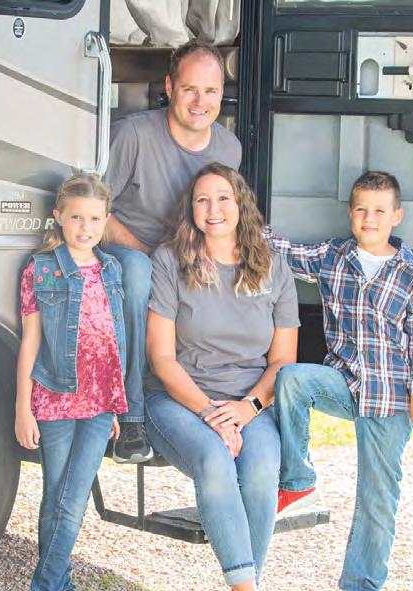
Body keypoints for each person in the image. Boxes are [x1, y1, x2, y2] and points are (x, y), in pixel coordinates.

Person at [269, 171, 413, 591]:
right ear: (350, 213)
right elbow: (284, 252)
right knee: (291, 378)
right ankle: (297, 477)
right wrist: (241, 221)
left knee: (377, 499)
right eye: (362, 209)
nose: (370, 218)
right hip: (343, 383)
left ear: (397, 216)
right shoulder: (334, 257)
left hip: (391, 397)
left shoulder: (412, 274)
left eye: (380, 210)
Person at [144, 163, 299, 591]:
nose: (213, 209)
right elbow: (162, 358)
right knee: (215, 459)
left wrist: (248, 408)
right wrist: (211, 413)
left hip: (250, 401)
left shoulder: (273, 267)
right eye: (202, 200)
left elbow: (283, 360)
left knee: (263, 469)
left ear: (241, 204)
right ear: (191, 208)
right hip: (179, 397)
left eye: (223, 198)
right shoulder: (170, 261)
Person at [104, 40, 242, 464]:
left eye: (211, 91)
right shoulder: (132, 134)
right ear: (169, 87)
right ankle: (131, 417)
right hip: (129, 253)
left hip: (185, 257)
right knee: (139, 272)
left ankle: (216, 404)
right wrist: (149, 255)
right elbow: (94, 210)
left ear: (222, 92)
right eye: (189, 89)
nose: (200, 102)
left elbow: (223, 216)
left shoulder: (229, 148)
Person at [15, 175, 127, 591]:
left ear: (107, 220)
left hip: (99, 405)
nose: (85, 227)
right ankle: (59, 588)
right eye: (76, 217)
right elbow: (30, 342)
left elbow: (115, 339)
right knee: (57, 496)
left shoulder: (111, 269)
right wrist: (23, 408)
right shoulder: (41, 269)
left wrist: (115, 402)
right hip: (54, 398)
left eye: (95, 218)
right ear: (58, 216)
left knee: (72, 497)